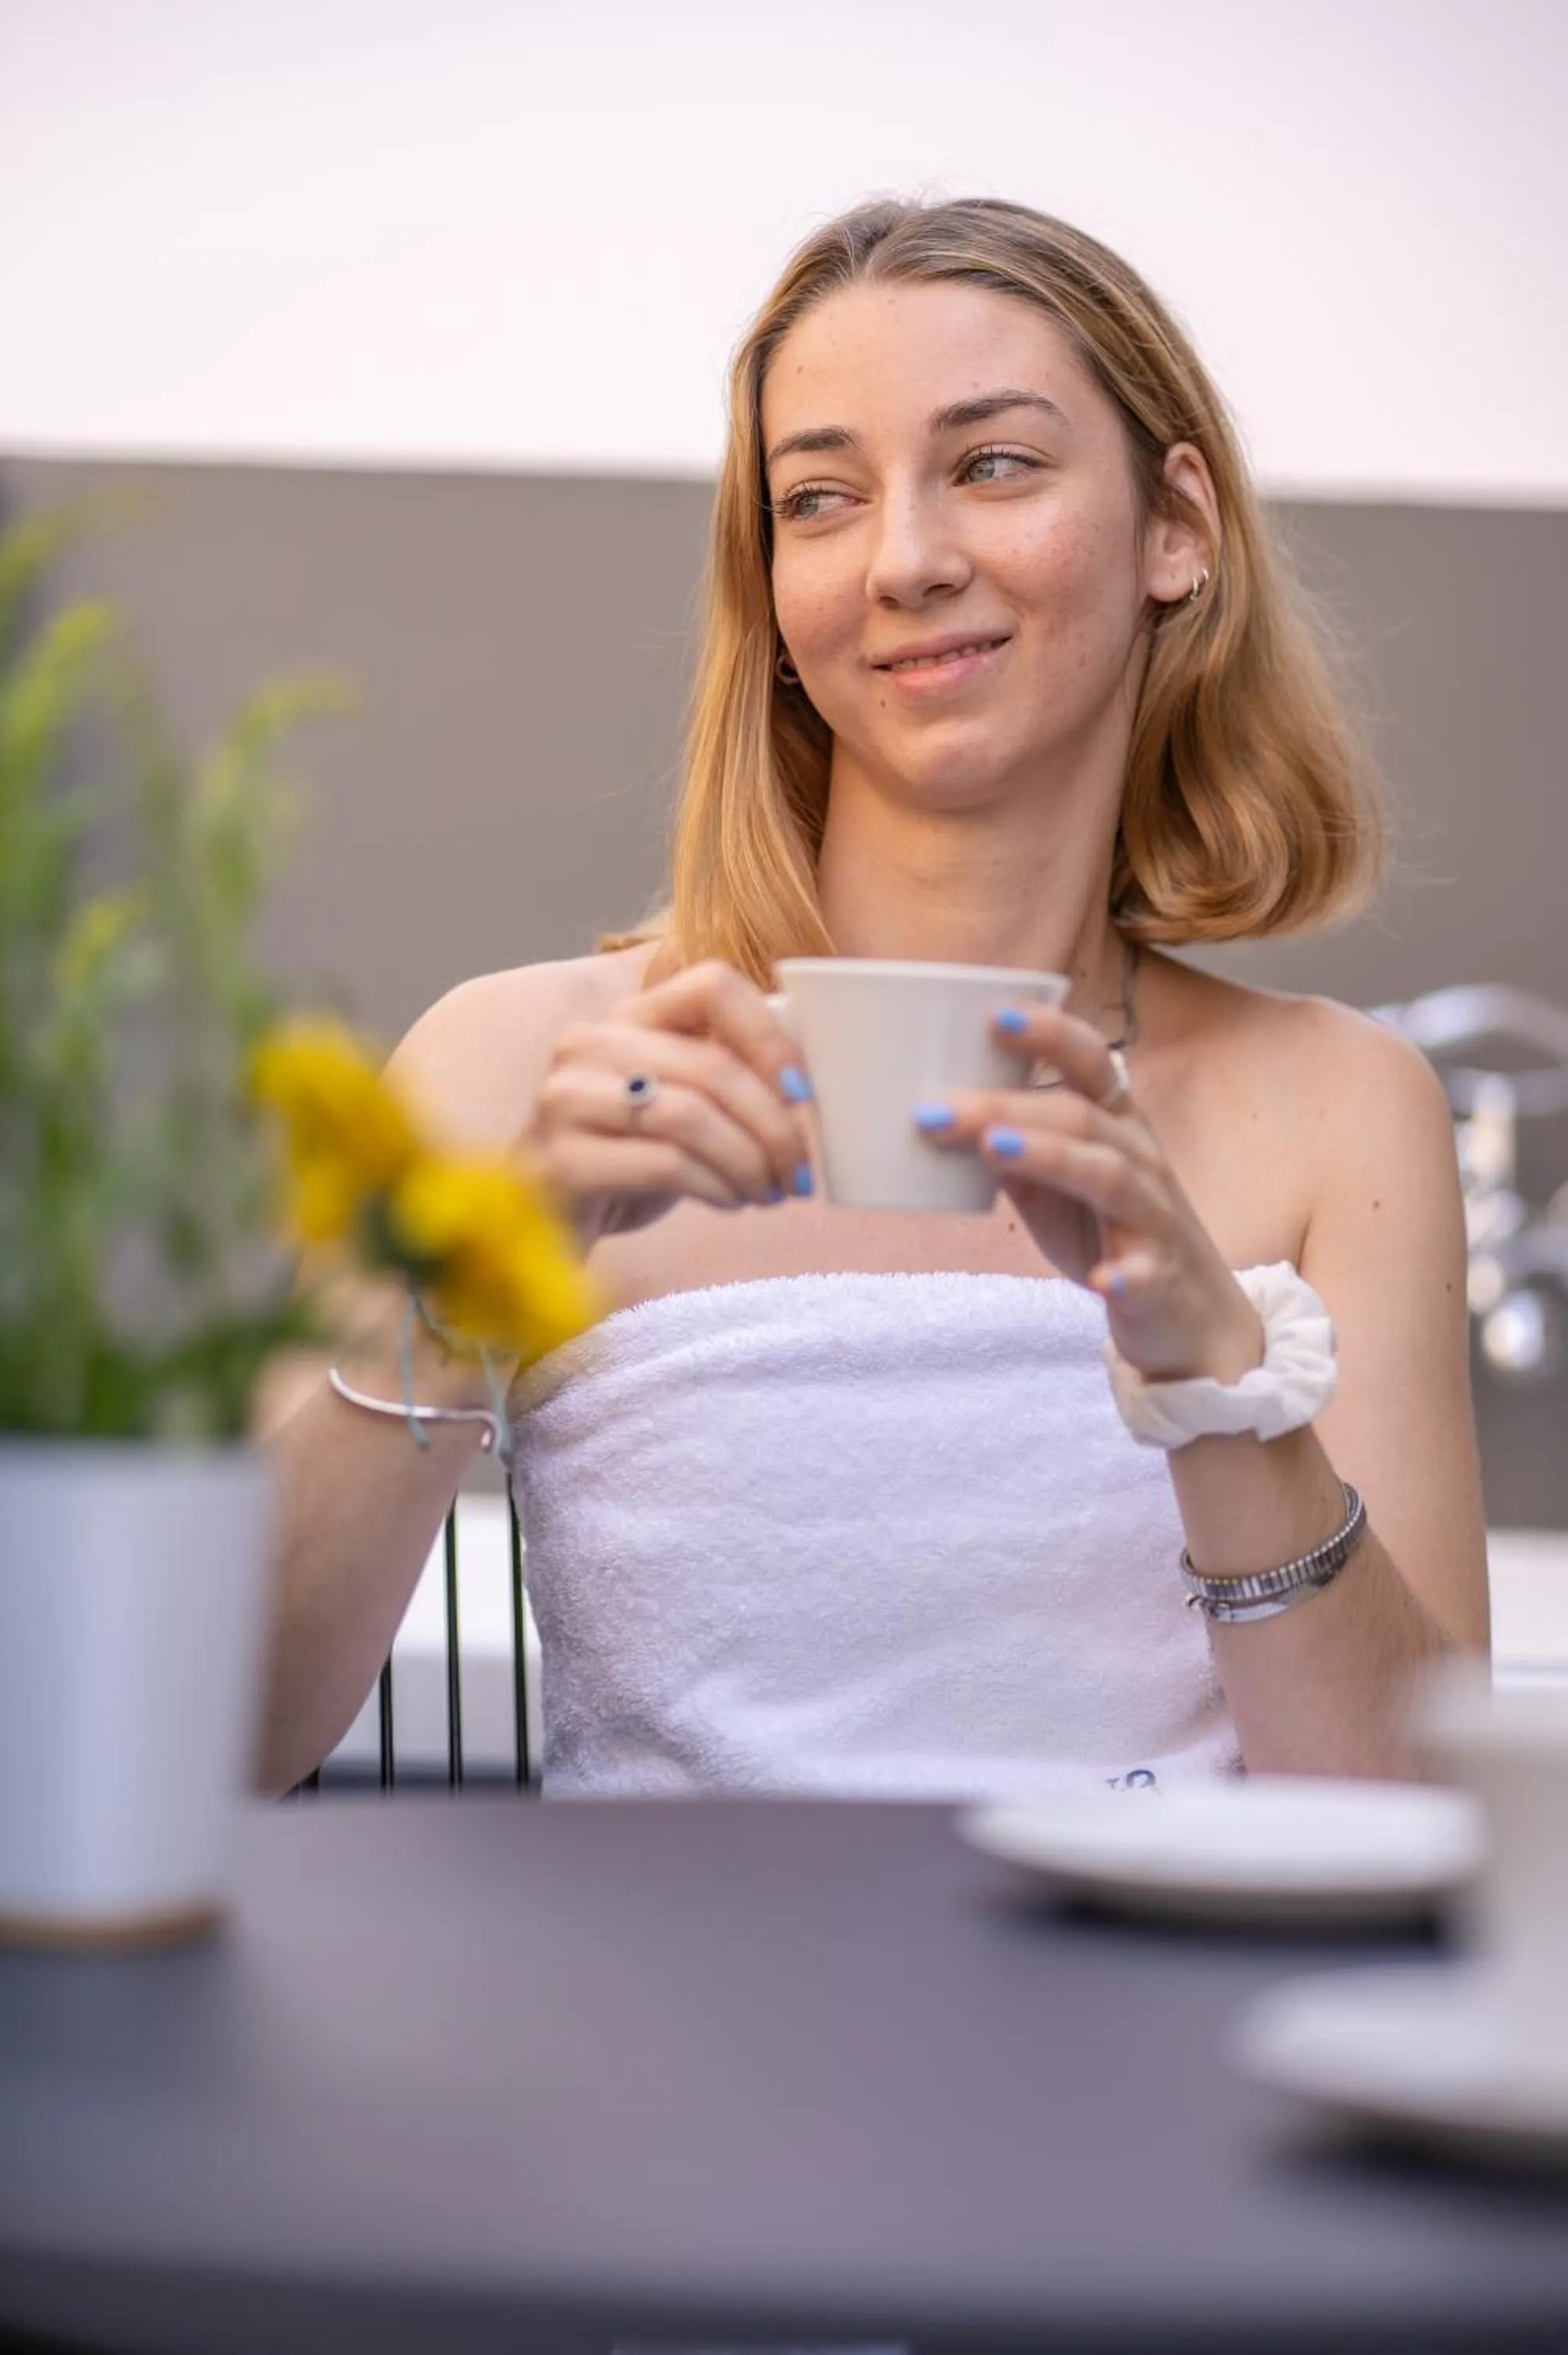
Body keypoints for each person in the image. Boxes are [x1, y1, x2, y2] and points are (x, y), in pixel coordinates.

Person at [255, 195, 1489, 1801]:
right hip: (652, 2051)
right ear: (772, 592)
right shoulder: (513, 1068)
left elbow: (1421, 1834)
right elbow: (201, 1746)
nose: (905, 561)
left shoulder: (1339, 1112)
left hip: (1154, 2048)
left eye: (991, 465)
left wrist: (1218, 1387)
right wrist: (464, 1288)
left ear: (1174, 527)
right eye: (820, 500)